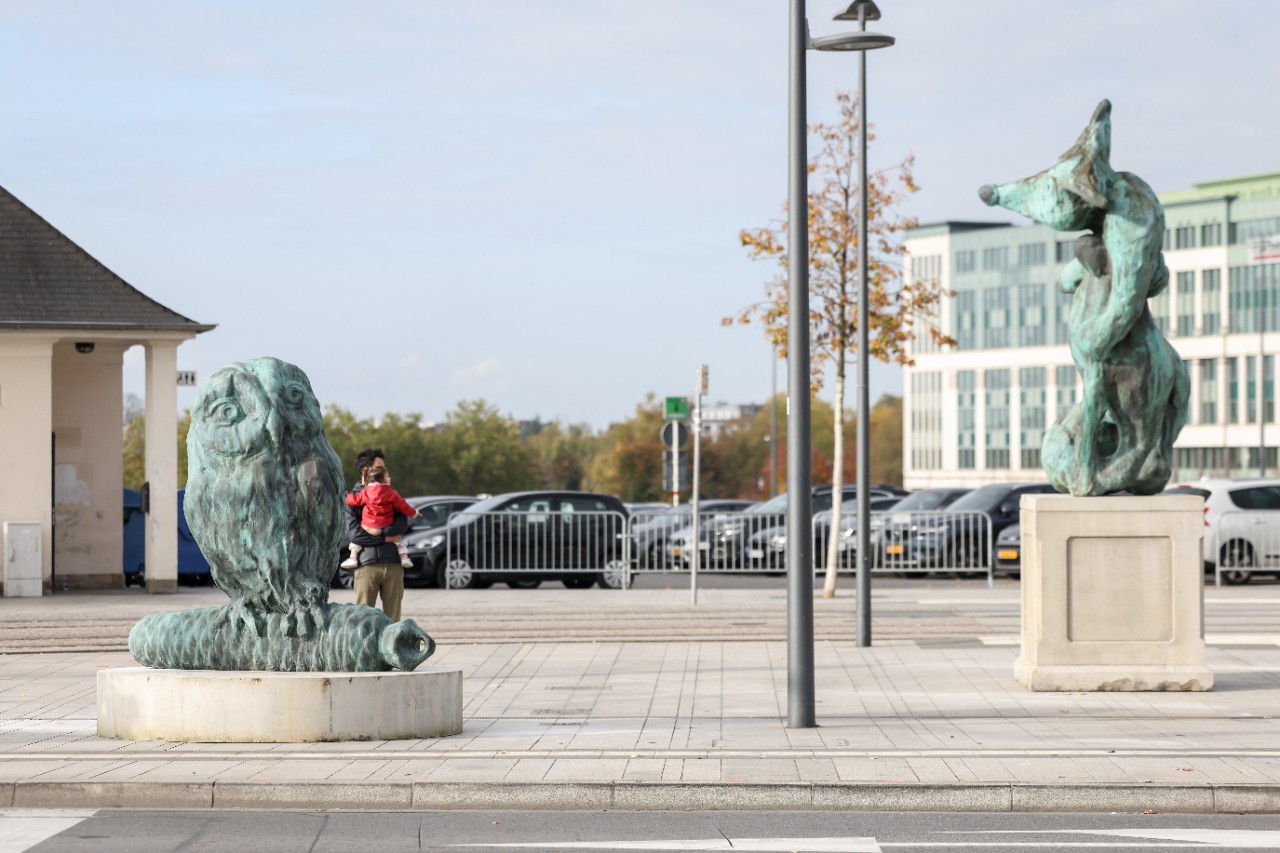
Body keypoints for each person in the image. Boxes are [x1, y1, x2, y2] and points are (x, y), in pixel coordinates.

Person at [345, 448, 410, 622]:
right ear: (366, 471)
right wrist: (385, 538)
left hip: (393, 565)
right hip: (366, 566)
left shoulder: (390, 494)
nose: (384, 471)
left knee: (394, 622)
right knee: (363, 622)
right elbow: (355, 534)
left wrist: (378, 531)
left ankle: (392, 650)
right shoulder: (354, 499)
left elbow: (402, 524)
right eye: (379, 467)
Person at [341, 465, 417, 570]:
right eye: (388, 476)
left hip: (368, 524)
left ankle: (353, 558)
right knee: (399, 541)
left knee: (355, 544)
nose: (390, 478)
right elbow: (403, 506)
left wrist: (345, 496)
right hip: (387, 523)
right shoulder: (392, 493)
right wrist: (414, 513)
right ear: (383, 479)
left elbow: (354, 499)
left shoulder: (366, 492)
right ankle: (404, 558)